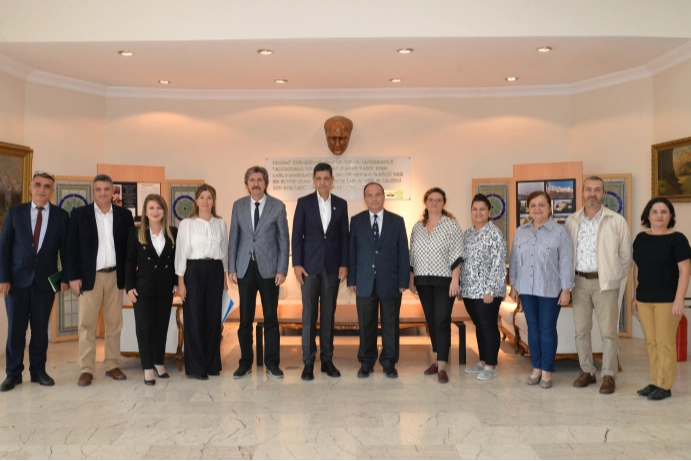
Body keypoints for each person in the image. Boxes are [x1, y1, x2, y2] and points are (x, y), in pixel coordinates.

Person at [0, 171, 69, 392]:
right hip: (16, 283)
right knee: (16, 330)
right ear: (31, 188)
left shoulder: (61, 216)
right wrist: (3, 278)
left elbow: (65, 250)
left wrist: (65, 278)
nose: (42, 189)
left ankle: (38, 371)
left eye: (47, 186)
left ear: (52, 191)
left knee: (40, 330)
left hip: (45, 283)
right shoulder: (15, 213)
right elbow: (4, 247)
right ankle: (13, 373)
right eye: (38, 185)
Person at [565, 176, 631, 394]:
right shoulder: (572, 221)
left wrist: (612, 276)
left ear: (603, 193)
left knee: (609, 332)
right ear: (582, 192)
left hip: (605, 285)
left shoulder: (616, 221)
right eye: (588, 189)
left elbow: (626, 257)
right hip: (579, 283)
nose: (592, 194)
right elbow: (567, 254)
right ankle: (587, 371)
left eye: (597, 190)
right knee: (581, 331)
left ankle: (609, 375)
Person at [66, 174, 134, 386]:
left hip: (115, 276)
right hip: (89, 278)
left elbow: (130, 249)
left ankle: (112, 364)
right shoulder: (79, 214)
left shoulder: (124, 215)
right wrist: (73, 277)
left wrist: (130, 277)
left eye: (106, 189)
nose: (103, 193)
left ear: (113, 191)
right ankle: (86, 369)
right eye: (98, 189)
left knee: (114, 323)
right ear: (93, 191)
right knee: (86, 324)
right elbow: (70, 248)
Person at [228, 166, 290, 379]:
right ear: (247, 184)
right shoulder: (238, 206)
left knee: (271, 318)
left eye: (260, 180)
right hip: (244, 268)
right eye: (252, 180)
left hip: (270, 269)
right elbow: (234, 238)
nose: (256, 184)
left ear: (265, 183)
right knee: (245, 319)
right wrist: (232, 267)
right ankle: (245, 362)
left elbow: (284, 240)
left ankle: (272, 363)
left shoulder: (277, 206)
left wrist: (282, 269)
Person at [509, 191, 573, 389]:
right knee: (533, 328)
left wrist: (566, 289)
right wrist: (514, 285)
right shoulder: (521, 232)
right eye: (533, 205)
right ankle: (536, 367)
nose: (537, 209)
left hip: (550, 289)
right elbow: (514, 259)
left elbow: (566, 262)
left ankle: (547, 371)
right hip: (526, 289)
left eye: (542, 205)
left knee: (547, 328)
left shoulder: (560, 232)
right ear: (528, 209)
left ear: (549, 207)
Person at [291, 163, 349, 381]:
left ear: (332, 180)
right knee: (308, 315)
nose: (323, 182)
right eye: (319, 178)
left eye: (326, 178)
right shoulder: (304, 203)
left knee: (328, 315)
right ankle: (308, 362)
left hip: (332, 267)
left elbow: (344, 236)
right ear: (314, 180)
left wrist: (344, 264)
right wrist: (297, 264)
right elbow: (296, 235)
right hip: (308, 267)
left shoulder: (341, 204)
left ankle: (327, 360)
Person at [348, 182, 410, 379]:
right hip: (364, 280)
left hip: (390, 281)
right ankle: (366, 362)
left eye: (377, 195)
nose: (374, 199)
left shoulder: (397, 221)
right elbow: (352, 252)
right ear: (365, 198)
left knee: (390, 324)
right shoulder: (356, 221)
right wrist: (352, 279)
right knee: (366, 325)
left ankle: (389, 363)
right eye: (370, 195)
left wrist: (403, 281)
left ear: (384, 197)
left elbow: (403, 252)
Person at [632, 197, 690, 400]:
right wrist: (635, 295)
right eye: (654, 211)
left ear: (670, 216)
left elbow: (685, 271)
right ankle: (656, 381)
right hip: (644, 299)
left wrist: (679, 299)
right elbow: (637, 268)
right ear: (648, 215)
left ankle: (665, 386)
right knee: (651, 342)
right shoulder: (640, 239)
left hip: (668, 300)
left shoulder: (678, 239)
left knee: (665, 343)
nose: (659, 215)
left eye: (664, 212)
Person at [409, 187, 463, 384]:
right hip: (423, 281)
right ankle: (436, 359)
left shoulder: (451, 226)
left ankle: (442, 366)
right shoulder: (418, 227)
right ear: (425, 202)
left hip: (444, 282)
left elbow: (457, 254)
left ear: (443, 203)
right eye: (431, 199)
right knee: (431, 321)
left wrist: (455, 280)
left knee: (442, 321)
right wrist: (412, 279)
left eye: (438, 200)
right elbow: (412, 255)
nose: (434, 203)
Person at [175, 184, 227, 380]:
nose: (206, 201)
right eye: (202, 197)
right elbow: (181, 253)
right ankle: (197, 367)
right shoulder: (187, 224)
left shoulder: (220, 224)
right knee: (195, 318)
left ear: (214, 201)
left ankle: (212, 364)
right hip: (194, 270)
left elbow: (224, 252)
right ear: (196, 201)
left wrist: (224, 278)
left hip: (215, 270)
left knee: (213, 319)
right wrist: (181, 282)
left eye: (209, 197)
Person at [125, 194, 178, 385]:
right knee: (144, 328)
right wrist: (129, 286)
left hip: (165, 288)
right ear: (145, 212)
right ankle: (147, 367)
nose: (155, 212)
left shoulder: (173, 232)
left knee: (161, 327)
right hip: (143, 288)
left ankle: (158, 362)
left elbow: (176, 260)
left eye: (159, 208)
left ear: (164, 211)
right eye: (151, 208)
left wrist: (176, 282)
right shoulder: (135, 233)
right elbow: (129, 261)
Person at [460, 194, 507, 382]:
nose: (478, 212)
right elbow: (463, 262)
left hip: (488, 291)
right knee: (479, 325)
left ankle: (491, 365)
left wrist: (491, 290)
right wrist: (461, 286)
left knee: (488, 326)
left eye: (482, 209)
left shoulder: (494, 234)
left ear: (489, 211)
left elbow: (498, 264)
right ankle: (482, 361)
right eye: (475, 209)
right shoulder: (468, 234)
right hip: (470, 290)